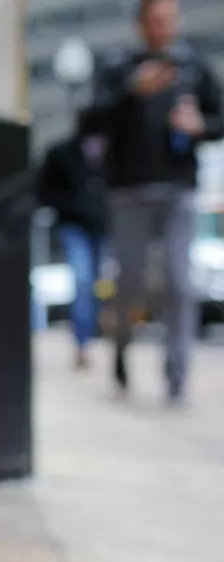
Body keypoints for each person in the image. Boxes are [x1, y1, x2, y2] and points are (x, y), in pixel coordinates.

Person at [92, 0, 223, 402]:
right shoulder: (118, 67)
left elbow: (218, 121)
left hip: (179, 188)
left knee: (179, 282)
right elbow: (90, 119)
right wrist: (133, 92)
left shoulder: (193, 67)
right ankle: (121, 346)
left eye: (168, 19)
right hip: (128, 190)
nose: (161, 27)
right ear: (141, 23)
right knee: (129, 281)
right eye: (154, 20)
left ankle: (177, 377)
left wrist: (200, 126)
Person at [39, 108, 109, 370]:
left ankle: (92, 333)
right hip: (73, 225)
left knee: (99, 284)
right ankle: (82, 343)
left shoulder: (112, 152)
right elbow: (43, 190)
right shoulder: (61, 153)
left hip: (103, 228)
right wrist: (71, 207)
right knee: (82, 280)